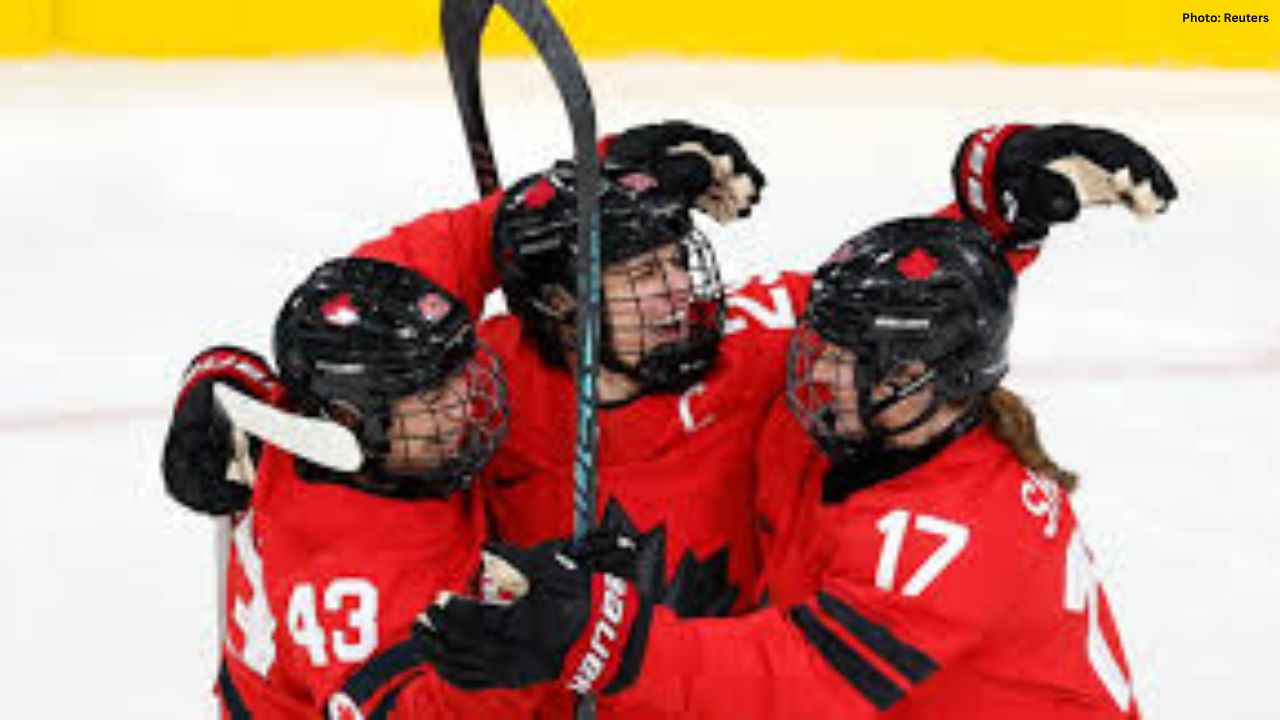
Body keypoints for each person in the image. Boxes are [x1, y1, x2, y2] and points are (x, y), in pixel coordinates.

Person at [417, 216, 1146, 719]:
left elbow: (798, 685)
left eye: (861, 361)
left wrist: (608, 634)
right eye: (823, 341)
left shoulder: (952, 532)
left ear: (943, 379)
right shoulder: (856, 424)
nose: (822, 372)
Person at [161, 257, 525, 719]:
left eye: (457, 379)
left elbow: (238, 378)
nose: (462, 405)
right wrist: (536, 651)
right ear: (353, 418)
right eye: (434, 397)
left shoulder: (294, 435)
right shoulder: (350, 579)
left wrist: (217, 373)